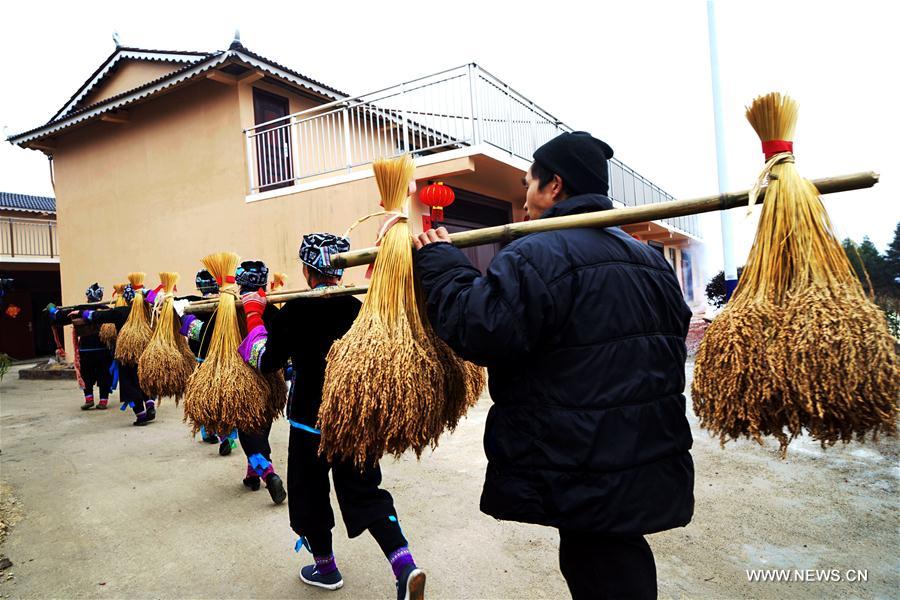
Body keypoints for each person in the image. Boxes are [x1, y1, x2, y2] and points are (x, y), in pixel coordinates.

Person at [412, 131, 695, 600]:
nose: (523, 201)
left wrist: (443, 264)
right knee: (617, 554)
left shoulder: (539, 252)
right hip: (640, 446)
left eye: (528, 184)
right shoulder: (650, 261)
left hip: (586, 455)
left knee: (600, 568)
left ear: (555, 186)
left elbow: (478, 329)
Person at [237, 233, 426, 600]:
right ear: (338, 272)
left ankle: (326, 568)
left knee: (309, 495)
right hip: (353, 424)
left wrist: (253, 314)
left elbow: (265, 360)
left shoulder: (295, 311)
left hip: (310, 423)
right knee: (365, 491)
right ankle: (405, 566)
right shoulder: (358, 310)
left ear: (308, 272)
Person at [178, 261, 286, 504]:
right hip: (271, 379)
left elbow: (204, 339)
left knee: (249, 428)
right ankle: (252, 472)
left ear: (240, 283)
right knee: (262, 424)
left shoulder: (228, 311)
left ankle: (267, 472)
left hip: (243, 380)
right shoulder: (271, 310)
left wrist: (184, 321)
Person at [79, 283, 157, 425]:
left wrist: (82, 313)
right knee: (145, 379)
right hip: (145, 352)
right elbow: (159, 302)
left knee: (130, 382)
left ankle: (141, 415)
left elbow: (97, 316)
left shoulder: (120, 312)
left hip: (127, 355)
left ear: (127, 299)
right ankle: (150, 404)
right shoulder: (148, 311)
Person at [188, 269, 237, 456]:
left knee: (205, 398)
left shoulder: (194, 305)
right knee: (225, 398)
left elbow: (193, 335)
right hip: (226, 360)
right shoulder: (230, 302)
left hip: (204, 361)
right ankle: (228, 437)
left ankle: (208, 432)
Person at [48, 283, 114, 410]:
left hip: (87, 350)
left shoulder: (79, 310)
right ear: (100, 297)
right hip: (102, 350)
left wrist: (52, 309)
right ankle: (103, 401)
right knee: (103, 374)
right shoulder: (106, 310)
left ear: (88, 297)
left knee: (87, 374)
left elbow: (58, 316)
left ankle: (89, 399)